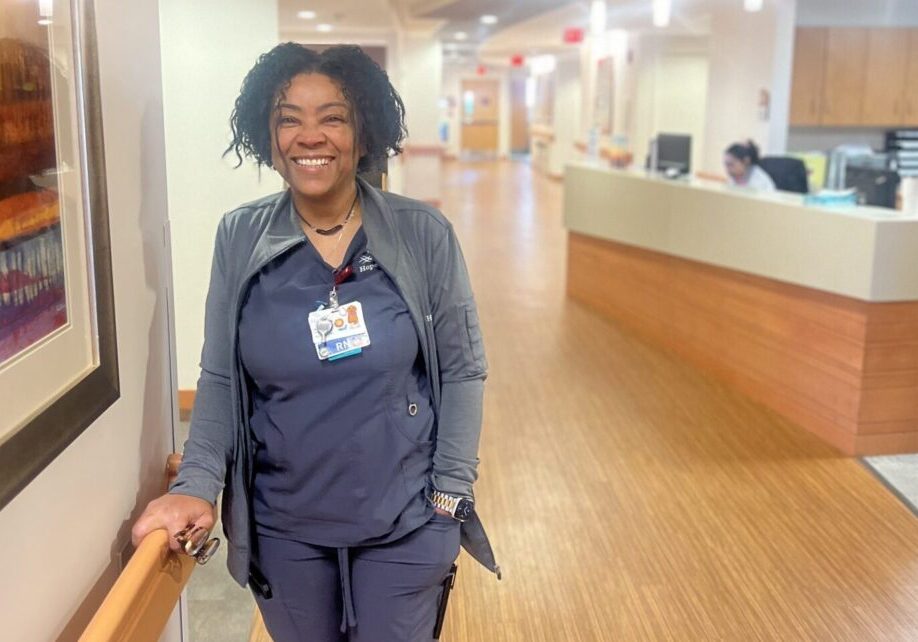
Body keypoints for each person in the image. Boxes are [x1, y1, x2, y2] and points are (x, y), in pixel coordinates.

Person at [131, 43, 499, 641]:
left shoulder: (421, 233)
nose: (310, 136)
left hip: (405, 523)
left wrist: (450, 495)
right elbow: (221, 377)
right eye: (288, 118)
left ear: (362, 132)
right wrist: (195, 485)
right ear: (267, 134)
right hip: (285, 532)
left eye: (333, 116)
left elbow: (462, 369)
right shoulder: (241, 236)